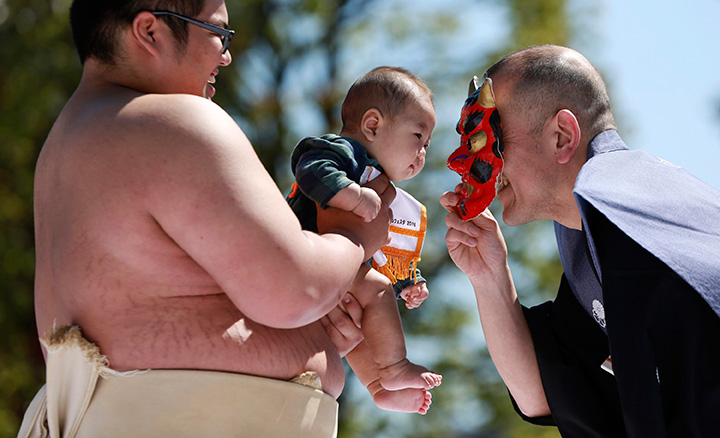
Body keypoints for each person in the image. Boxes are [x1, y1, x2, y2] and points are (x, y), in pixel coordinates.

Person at [18, 1, 395, 437]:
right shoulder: (171, 121)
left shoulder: (68, 144)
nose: (226, 56)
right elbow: (295, 289)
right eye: (217, 33)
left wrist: (317, 334)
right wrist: (354, 235)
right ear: (150, 31)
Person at [442, 44, 720, 437]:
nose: (473, 164)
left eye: (493, 140)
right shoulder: (590, 227)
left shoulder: (625, 206)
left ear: (562, 137)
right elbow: (544, 393)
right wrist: (489, 276)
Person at [286, 66, 442, 414]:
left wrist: (408, 280)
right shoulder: (346, 154)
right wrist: (353, 195)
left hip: (334, 272)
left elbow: (385, 248)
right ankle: (394, 368)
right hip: (307, 252)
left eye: (427, 145)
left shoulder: (383, 187)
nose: (422, 153)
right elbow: (309, 166)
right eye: (418, 137)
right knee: (378, 290)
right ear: (373, 125)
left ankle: (378, 387)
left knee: (360, 320)